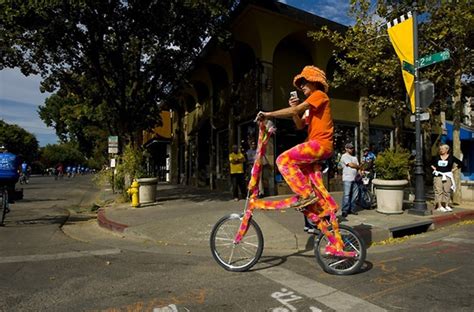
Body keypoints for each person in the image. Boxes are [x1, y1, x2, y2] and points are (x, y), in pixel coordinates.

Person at [256, 65, 334, 210]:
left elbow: (297, 109)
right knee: (307, 176)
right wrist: (294, 112)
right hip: (317, 145)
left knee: (283, 160)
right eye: (301, 84)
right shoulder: (311, 106)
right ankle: (322, 207)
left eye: (304, 82)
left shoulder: (319, 95)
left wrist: (268, 114)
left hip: (320, 144)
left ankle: (307, 195)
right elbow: (299, 126)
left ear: (314, 82)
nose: (302, 87)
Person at [431, 144, 463, 212]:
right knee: (438, 191)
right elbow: (431, 164)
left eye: (442, 149)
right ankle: (439, 206)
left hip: (447, 176)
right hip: (438, 176)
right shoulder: (437, 157)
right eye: (440, 149)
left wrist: (453, 170)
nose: (441, 150)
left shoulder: (451, 157)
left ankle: (446, 205)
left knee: (447, 191)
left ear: (447, 150)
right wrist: (434, 169)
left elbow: (460, 163)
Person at [339, 142, 360, 218]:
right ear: (346, 149)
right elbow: (351, 165)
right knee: (347, 195)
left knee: (355, 195)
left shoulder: (354, 157)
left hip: (355, 178)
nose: (352, 149)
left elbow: (358, 167)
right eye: (350, 148)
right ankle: (345, 210)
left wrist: (359, 169)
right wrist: (358, 166)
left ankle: (352, 209)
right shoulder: (344, 156)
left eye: (352, 148)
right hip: (347, 178)